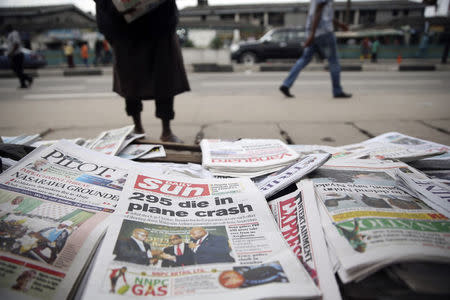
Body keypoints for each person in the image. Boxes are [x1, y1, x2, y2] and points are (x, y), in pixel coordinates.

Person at [95, 0, 190, 141]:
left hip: (160, 26)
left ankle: (166, 131)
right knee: (130, 81)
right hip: (124, 31)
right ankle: (138, 128)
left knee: (164, 79)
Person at [279, 0, 351, 99]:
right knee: (333, 61)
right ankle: (337, 90)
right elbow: (319, 12)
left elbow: (326, 15)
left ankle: (286, 84)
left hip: (313, 32)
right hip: (324, 33)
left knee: (304, 59)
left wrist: (340, 25)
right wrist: (312, 35)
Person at [5, 25, 33, 89]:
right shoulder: (10, 34)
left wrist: (11, 53)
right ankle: (24, 83)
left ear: (9, 28)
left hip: (17, 55)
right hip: (15, 55)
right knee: (17, 70)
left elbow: (16, 44)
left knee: (17, 70)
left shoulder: (14, 34)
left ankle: (28, 79)